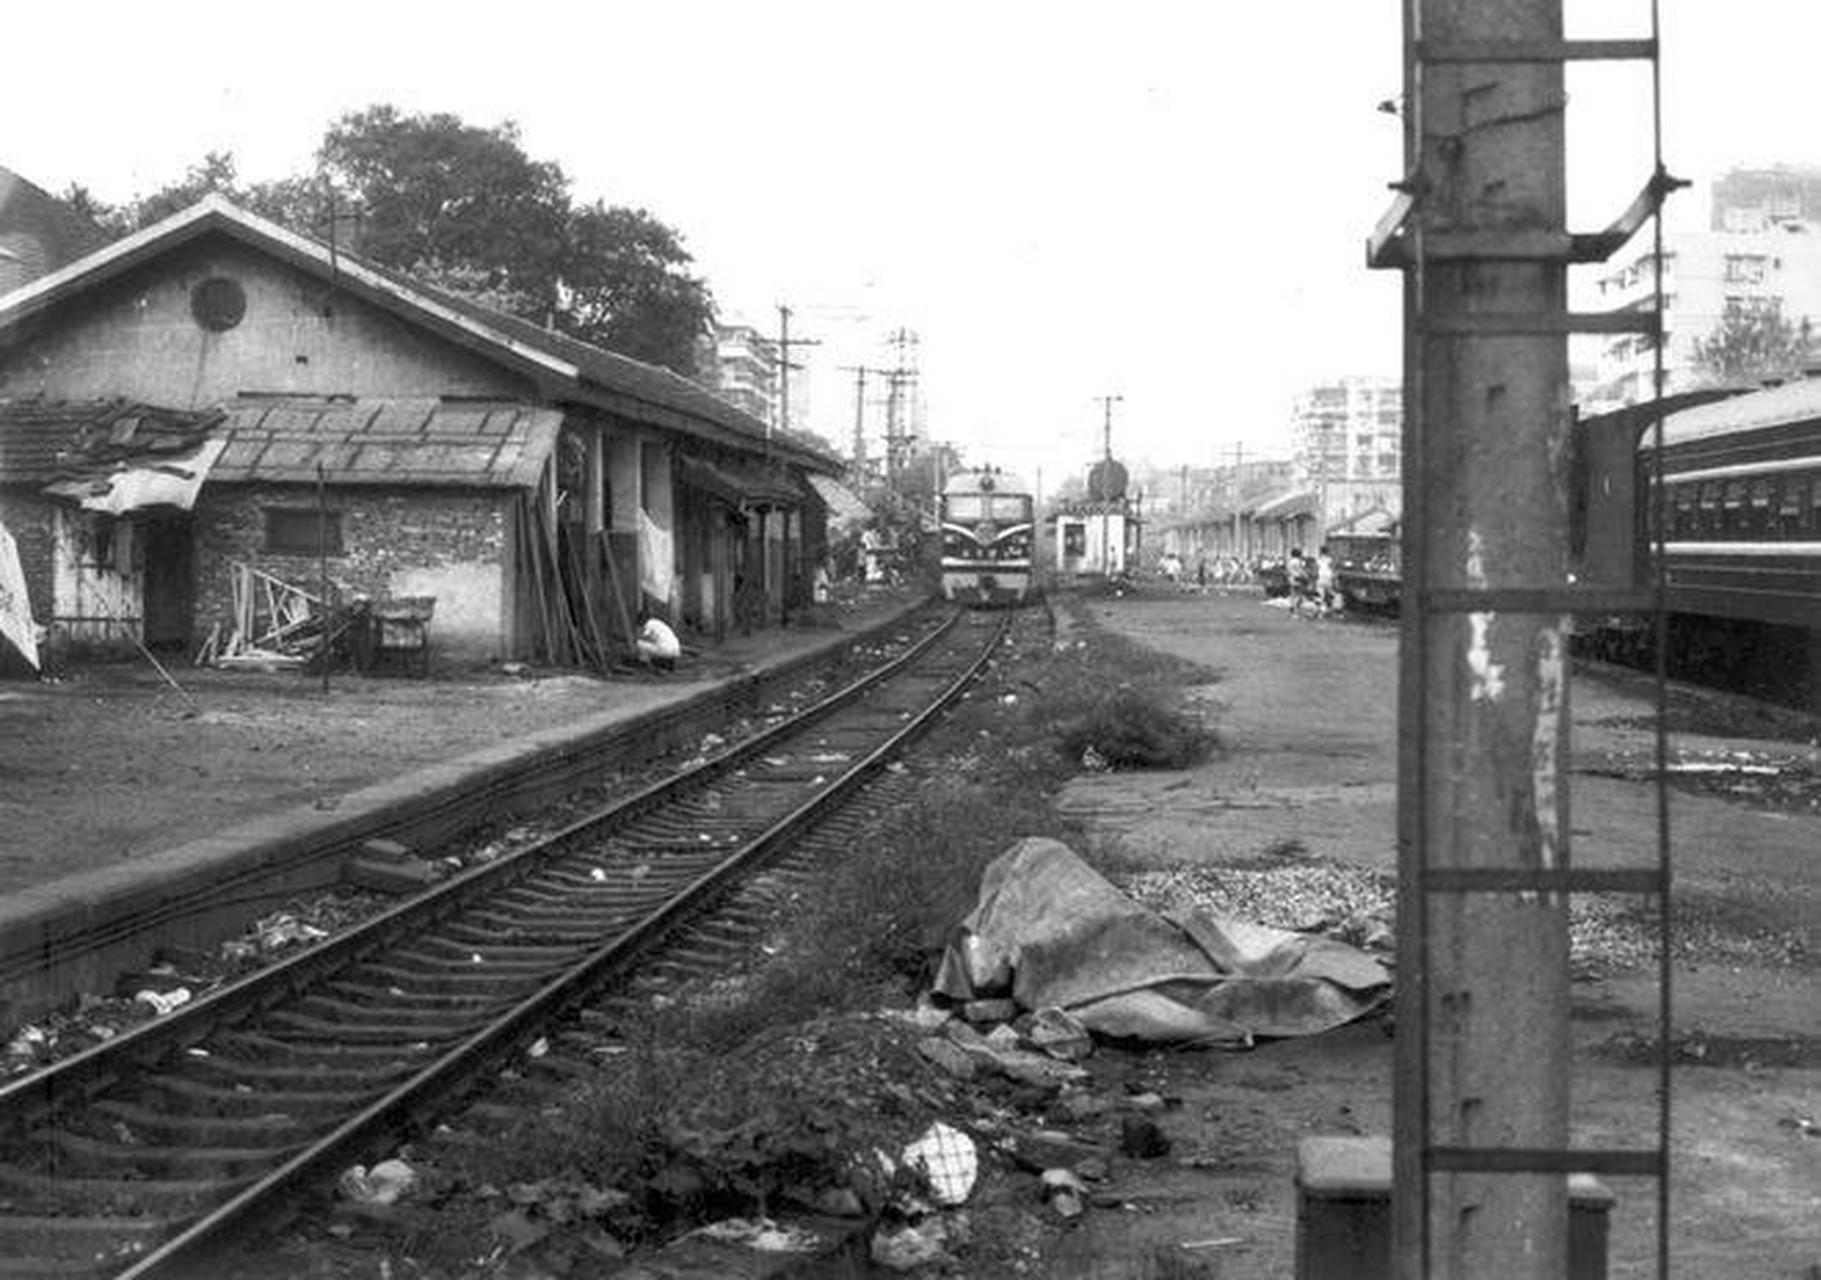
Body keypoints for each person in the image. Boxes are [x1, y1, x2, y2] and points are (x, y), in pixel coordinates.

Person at [1315, 544, 1339, 616]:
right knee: (1332, 594)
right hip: (1328, 578)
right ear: (1328, 552)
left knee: (1320, 596)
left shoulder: (1318, 560)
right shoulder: (1330, 560)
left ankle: (1320, 612)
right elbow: (1334, 569)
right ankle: (1335, 609)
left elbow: (1316, 570)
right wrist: (1335, 578)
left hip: (1320, 578)